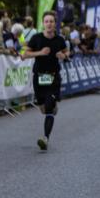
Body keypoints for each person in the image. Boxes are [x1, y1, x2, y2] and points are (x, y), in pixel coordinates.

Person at [23, 11, 69, 151]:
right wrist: (40, 53)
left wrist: (63, 55)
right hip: (39, 76)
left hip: (54, 76)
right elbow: (25, 54)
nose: (49, 24)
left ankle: (45, 138)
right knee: (43, 107)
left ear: (55, 24)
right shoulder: (36, 38)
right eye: (46, 21)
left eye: (51, 21)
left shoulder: (59, 40)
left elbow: (67, 53)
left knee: (48, 107)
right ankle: (50, 107)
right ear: (43, 23)